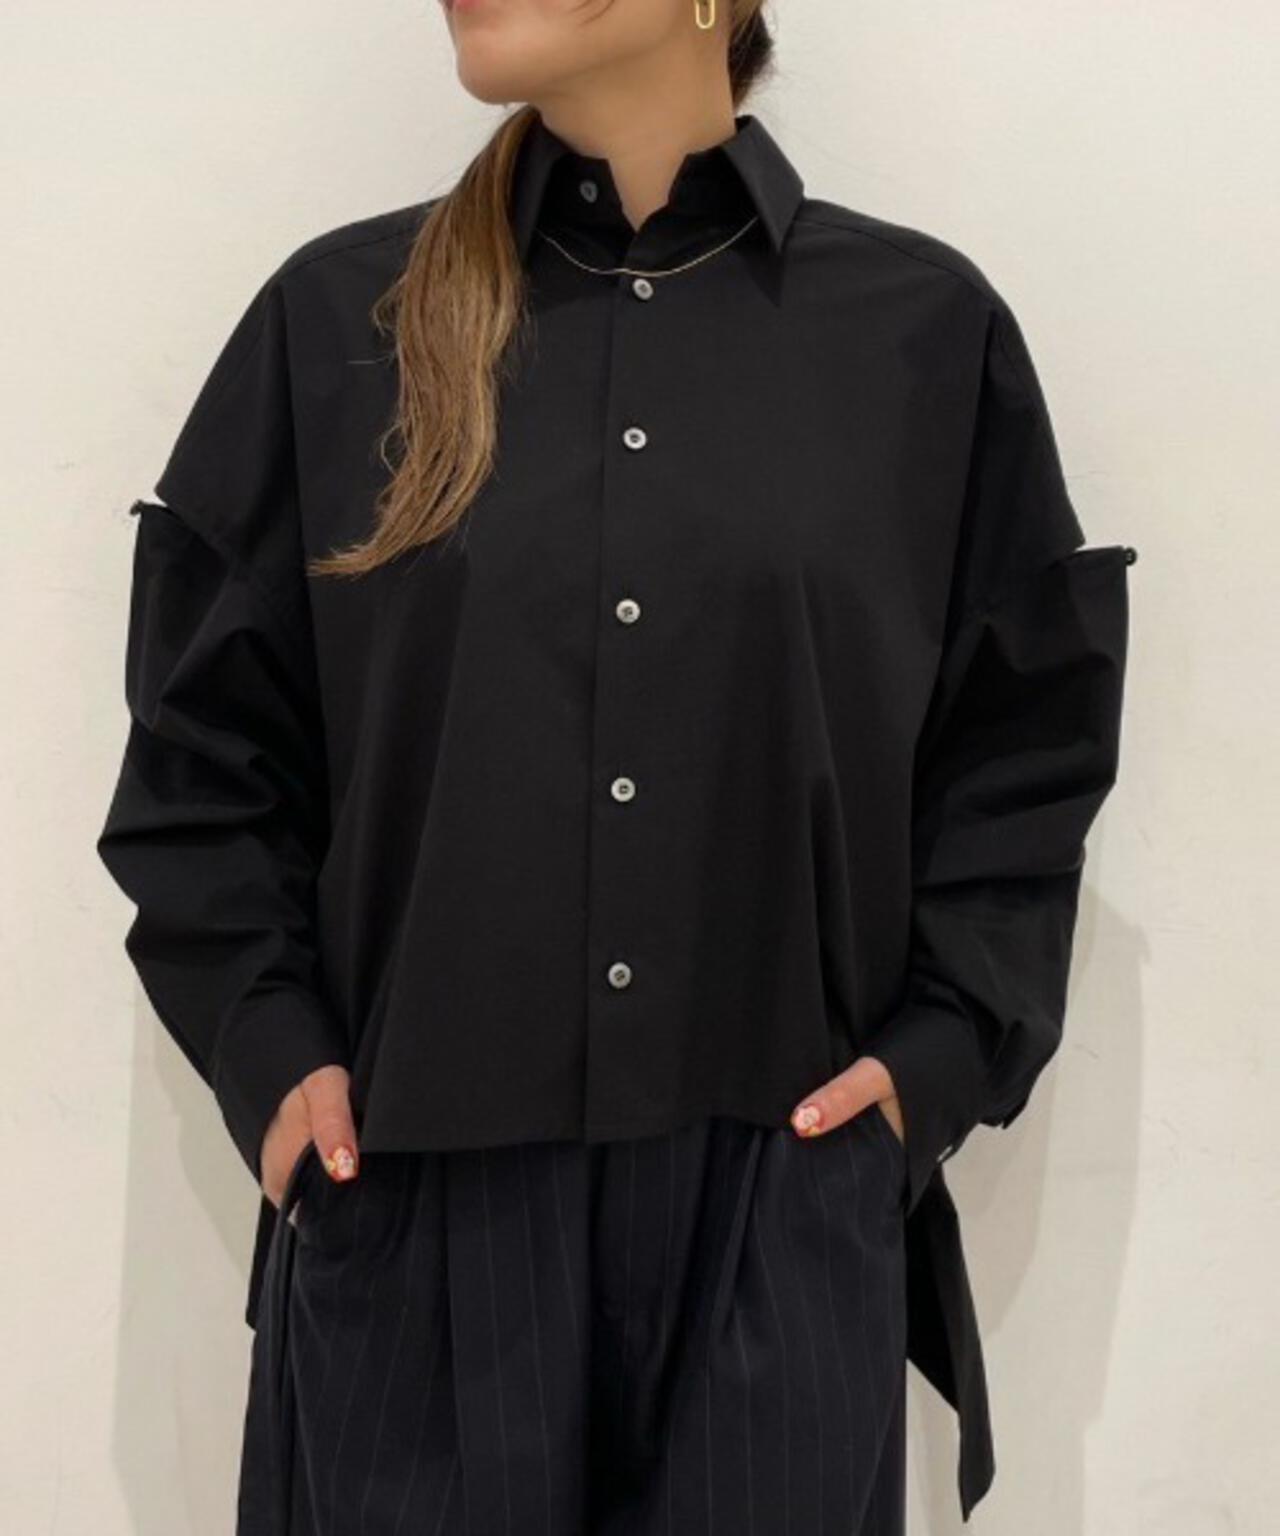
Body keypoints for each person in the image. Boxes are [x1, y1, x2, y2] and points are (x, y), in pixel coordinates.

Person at [96, 0, 1135, 1530]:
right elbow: (205, 756)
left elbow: (1023, 754)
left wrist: (928, 1070)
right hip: (414, 1206)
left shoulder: (922, 337)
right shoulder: (339, 325)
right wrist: (271, 1055)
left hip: (780, 1213)